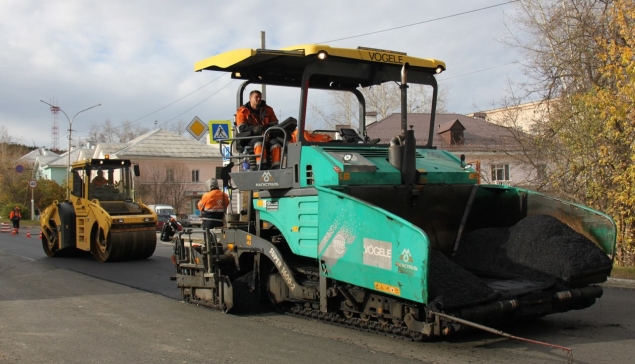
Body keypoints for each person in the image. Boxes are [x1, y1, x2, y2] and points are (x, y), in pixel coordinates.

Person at [236, 90, 281, 169]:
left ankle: (276, 167)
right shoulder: (242, 111)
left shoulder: (268, 110)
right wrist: (259, 130)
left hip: (267, 136)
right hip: (251, 137)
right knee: (259, 144)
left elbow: (274, 125)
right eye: (256, 97)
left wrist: (268, 132)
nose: (259, 99)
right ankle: (261, 166)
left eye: (260, 97)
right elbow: (242, 128)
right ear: (250, 98)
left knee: (276, 145)